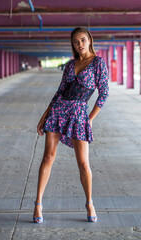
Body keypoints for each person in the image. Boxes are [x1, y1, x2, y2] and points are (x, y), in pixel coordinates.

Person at [33, 27, 109, 223]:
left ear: (90, 40)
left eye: (83, 40)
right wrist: (44, 116)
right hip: (59, 111)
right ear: (73, 45)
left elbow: (104, 94)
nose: (80, 44)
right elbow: (59, 92)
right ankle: (38, 204)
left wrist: (90, 119)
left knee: (83, 164)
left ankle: (89, 202)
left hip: (79, 113)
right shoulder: (69, 65)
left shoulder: (98, 63)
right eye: (76, 41)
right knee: (48, 157)